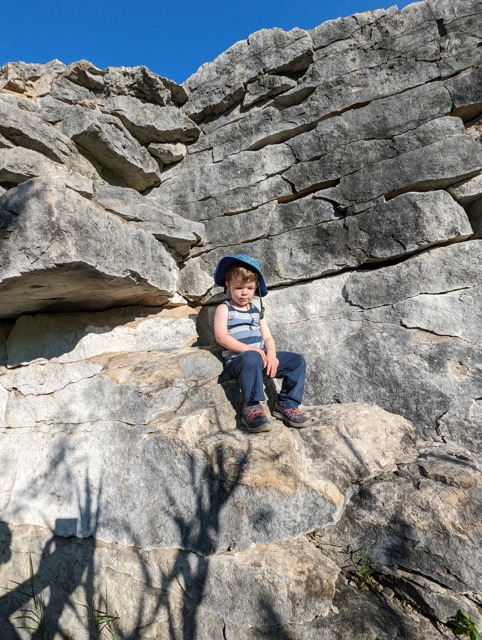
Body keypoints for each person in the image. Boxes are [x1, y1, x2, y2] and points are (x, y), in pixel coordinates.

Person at [213, 253, 309, 433]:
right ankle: (251, 407)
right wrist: (251, 350)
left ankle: (286, 405)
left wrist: (271, 355)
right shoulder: (224, 308)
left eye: (249, 288)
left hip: (262, 359)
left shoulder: (256, 310)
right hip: (241, 362)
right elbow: (221, 337)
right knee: (251, 357)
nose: (244, 293)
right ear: (228, 285)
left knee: (297, 361)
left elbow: (268, 338)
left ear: (256, 287)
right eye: (238, 287)